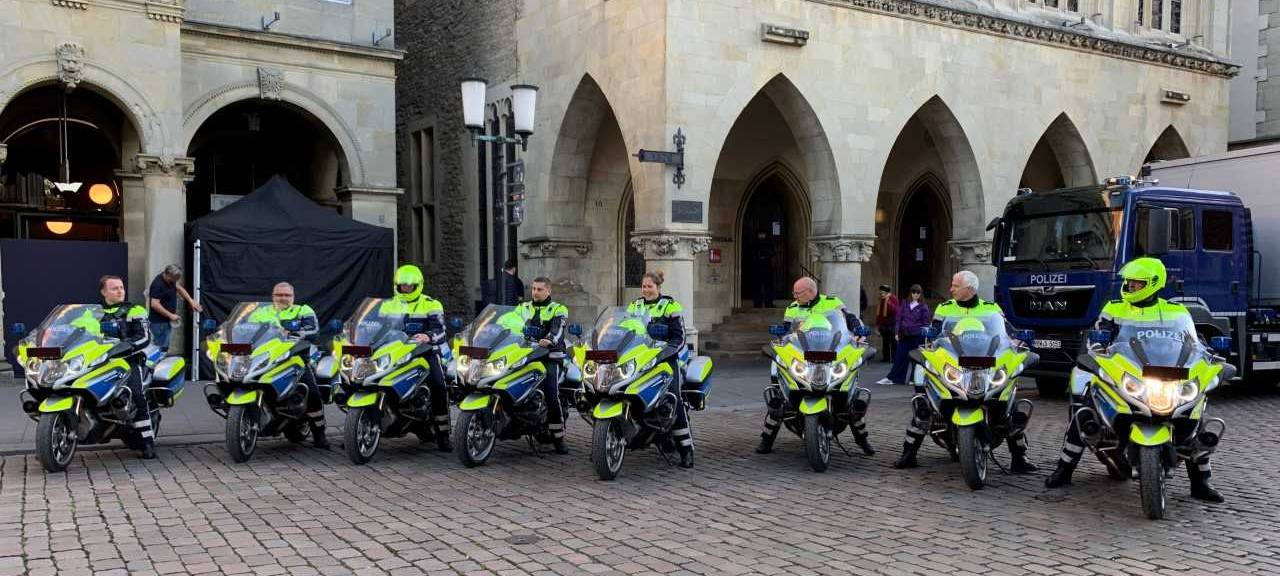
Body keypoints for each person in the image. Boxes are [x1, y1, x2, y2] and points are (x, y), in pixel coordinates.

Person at [1044, 257, 1223, 502]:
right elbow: (1098, 338)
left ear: (1154, 284)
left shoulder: (1176, 312)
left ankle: (1201, 483)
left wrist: (1209, 354)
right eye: (1128, 282)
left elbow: (1194, 343)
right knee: (1084, 411)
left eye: (1136, 284)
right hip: (1127, 373)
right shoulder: (1114, 308)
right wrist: (1096, 348)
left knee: (1196, 417)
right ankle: (1064, 469)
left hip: (1166, 374)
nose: (1130, 287)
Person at [892, 271, 1037, 473]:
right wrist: (929, 346)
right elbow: (933, 334)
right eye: (952, 285)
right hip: (954, 363)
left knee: (1008, 408)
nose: (951, 289)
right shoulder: (945, 308)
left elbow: (1006, 333)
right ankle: (908, 454)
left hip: (985, 362)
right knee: (924, 408)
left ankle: (1019, 458)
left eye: (955, 285)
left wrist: (1018, 341)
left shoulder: (991, 308)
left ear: (969, 288)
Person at [755, 277, 876, 456]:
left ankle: (862, 439)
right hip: (803, 355)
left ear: (810, 291)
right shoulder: (793, 308)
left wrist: (858, 330)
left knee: (851, 397)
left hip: (830, 352)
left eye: (797, 293)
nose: (794, 296)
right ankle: (767, 439)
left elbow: (849, 319)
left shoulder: (832, 302)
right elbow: (787, 331)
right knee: (779, 395)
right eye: (794, 293)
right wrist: (780, 334)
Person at [379, 264, 452, 451]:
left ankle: (443, 434)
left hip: (425, 351)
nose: (405, 289)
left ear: (417, 285)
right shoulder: (388, 304)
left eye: (409, 286)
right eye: (402, 285)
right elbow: (376, 326)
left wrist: (428, 336)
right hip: (394, 351)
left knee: (438, 384)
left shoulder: (431, 304)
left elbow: (441, 330)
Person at [627, 271, 695, 468]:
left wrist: (666, 353)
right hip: (639, 359)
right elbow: (624, 331)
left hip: (665, 359)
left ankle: (686, 450)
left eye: (650, 286)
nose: (646, 290)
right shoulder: (634, 306)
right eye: (644, 286)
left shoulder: (670, 306)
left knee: (674, 400)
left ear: (658, 288)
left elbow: (679, 337)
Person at [247, 282, 328, 449]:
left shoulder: (302, 310)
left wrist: (297, 333)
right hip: (265, 357)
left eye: (286, 295)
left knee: (311, 391)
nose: (282, 298)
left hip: (295, 357)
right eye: (279, 295)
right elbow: (244, 328)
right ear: (273, 296)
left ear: (293, 297)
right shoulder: (261, 311)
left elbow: (314, 331)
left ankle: (319, 435)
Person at [99, 275, 158, 459]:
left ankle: (147, 442)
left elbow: (144, 337)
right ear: (103, 292)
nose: (119, 291)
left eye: (121, 287)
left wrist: (126, 346)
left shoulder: (135, 310)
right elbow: (76, 331)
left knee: (136, 392)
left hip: (129, 359)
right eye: (114, 288)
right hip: (100, 359)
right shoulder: (92, 312)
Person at [512, 277, 570, 454]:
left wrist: (550, 339)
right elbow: (508, 323)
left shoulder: (558, 309)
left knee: (552, 392)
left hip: (550, 356)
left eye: (539, 289)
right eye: (533, 289)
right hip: (526, 354)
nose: (535, 292)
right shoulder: (523, 308)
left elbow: (558, 329)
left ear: (548, 291)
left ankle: (558, 437)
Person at [147, 264, 202, 352]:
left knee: (164, 346)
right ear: (168, 275)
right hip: (159, 323)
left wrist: (191, 301)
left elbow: (179, 288)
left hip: (165, 321)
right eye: (173, 279)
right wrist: (171, 315)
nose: (174, 282)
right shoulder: (157, 285)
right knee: (160, 349)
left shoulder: (171, 280)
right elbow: (154, 304)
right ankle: (156, 365)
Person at [887, 285, 931, 385]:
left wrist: (925, 335)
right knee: (900, 357)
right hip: (904, 334)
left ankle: (914, 379)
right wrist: (897, 332)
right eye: (914, 292)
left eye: (918, 292)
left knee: (916, 358)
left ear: (921, 294)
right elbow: (899, 318)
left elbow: (926, 323)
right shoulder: (905, 303)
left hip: (917, 335)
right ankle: (897, 379)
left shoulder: (923, 306)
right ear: (911, 293)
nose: (915, 294)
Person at [875, 285, 899, 366]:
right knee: (885, 341)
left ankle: (894, 358)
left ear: (887, 293)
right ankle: (886, 358)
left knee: (893, 342)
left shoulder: (893, 299)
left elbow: (895, 310)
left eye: (882, 292)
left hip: (892, 323)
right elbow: (879, 315)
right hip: (884, 324)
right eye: (880, 292)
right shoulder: (881, 300)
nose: (881, 294)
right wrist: (877, 327)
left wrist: (887, 302)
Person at [752, 233, 774, 308]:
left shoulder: (768, 243)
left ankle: (768, 303)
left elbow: (772, 252)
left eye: (763, 234)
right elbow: (752, 253)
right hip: (758, 268)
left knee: (767, 286)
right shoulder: (755, 243)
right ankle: (758, 303)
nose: (762, 236)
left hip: (766, 267)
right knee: (757, 286)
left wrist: (766, 256)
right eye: (760, 234)